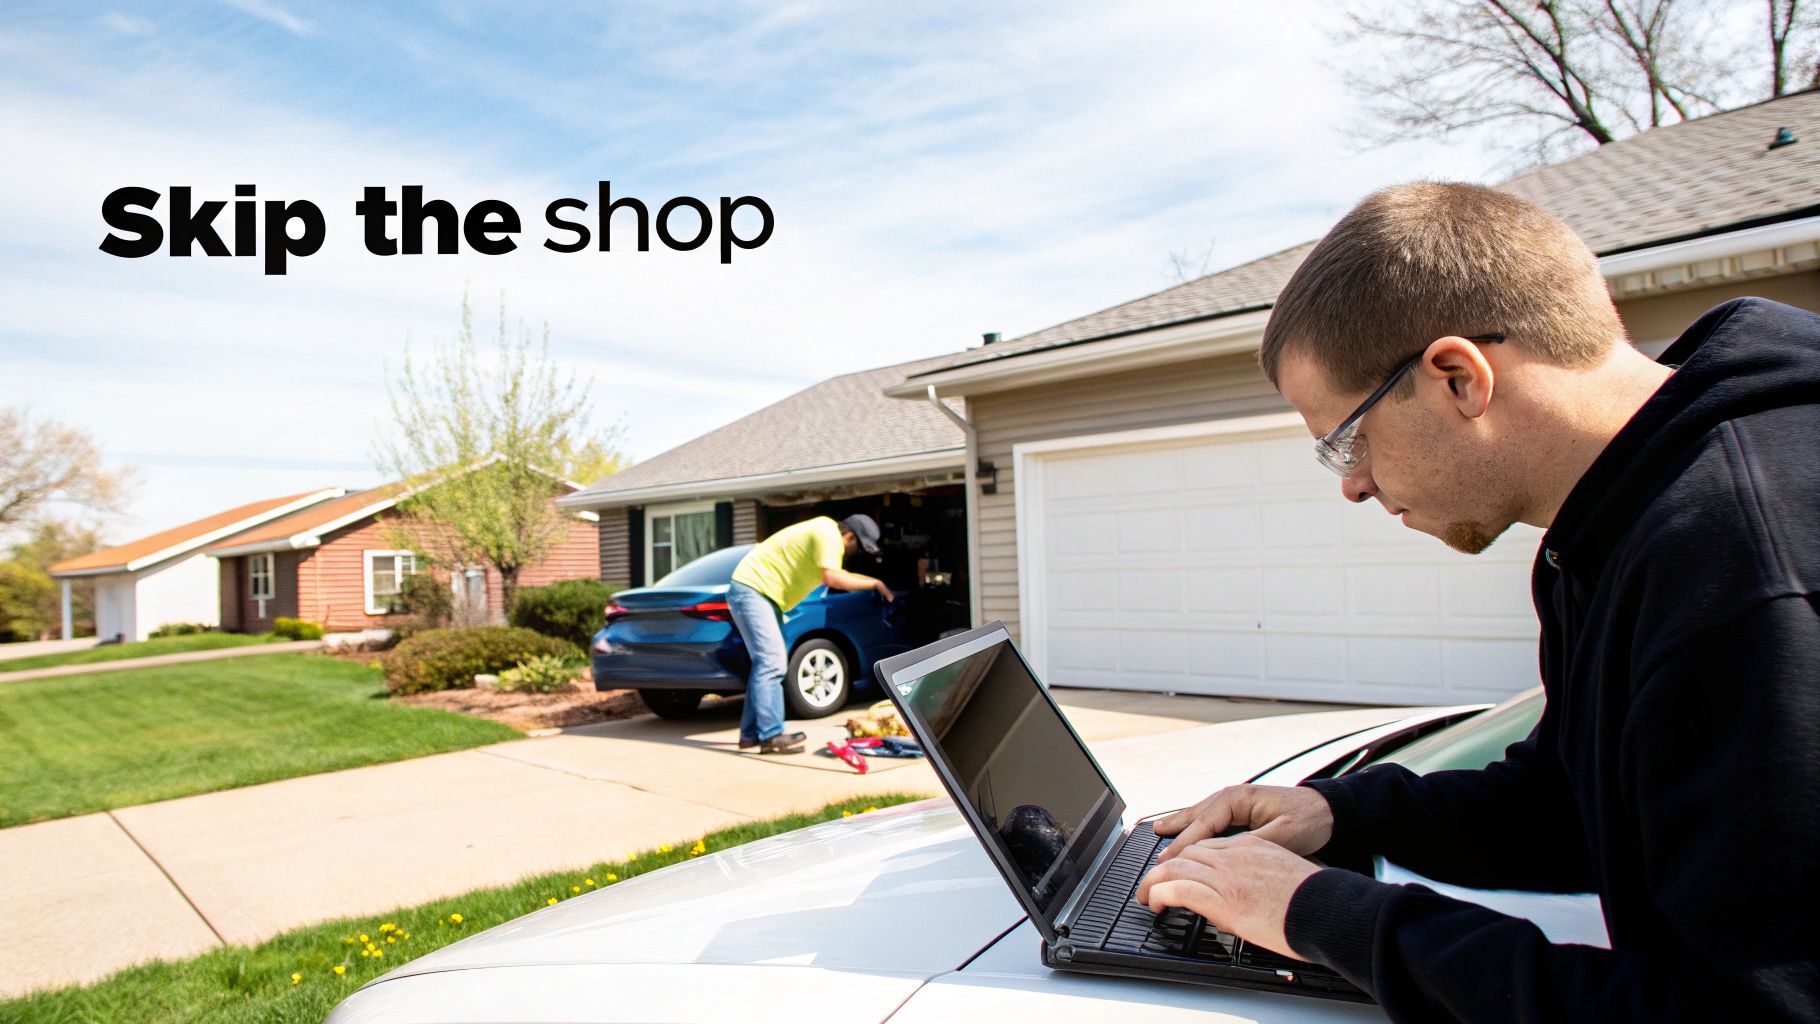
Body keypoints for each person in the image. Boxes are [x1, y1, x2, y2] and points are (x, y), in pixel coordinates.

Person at [1136, 182, 1820, 1021]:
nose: (1351, 486)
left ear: (1458, 377)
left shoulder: (1745, 563)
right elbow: (1574, 801)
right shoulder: (1619, 524)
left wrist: (1317, 912)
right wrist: (1340, 810)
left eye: (1346, 440)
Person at [727, 513, 894, 753]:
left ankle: (751, 734)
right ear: (850, 537)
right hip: (754, 591)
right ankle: (771, 735)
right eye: (856, 546)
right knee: (772, 664)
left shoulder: (823, 531)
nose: (851, 552)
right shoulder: (828, 534)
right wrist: (875, 584)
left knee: (767, 664)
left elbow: (838, 575)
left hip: (760, 594)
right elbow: (833, 578)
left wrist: (875, 582)